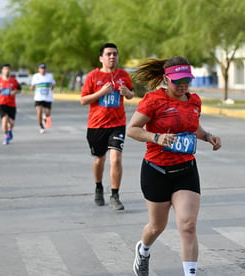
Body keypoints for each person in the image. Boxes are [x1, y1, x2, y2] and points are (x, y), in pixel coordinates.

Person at [127, 56, 221, 276]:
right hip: (156, 171)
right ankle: (144, 249)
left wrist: (207, 136)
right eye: (177, 80)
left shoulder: (194, 101)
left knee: (188, 225)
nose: (182, 85)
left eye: (187, 79)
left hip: (185, 171)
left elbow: (192, 125)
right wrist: (156, 137)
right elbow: (132, 129)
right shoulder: (153, 100)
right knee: (156, 227)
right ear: (165, 79)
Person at [80, 43, 134, 210]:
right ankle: (98, 187)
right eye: (109, 54)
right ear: (101, 58)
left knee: (116, 158)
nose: (112, 57)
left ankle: (115, 195)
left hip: (117, 124)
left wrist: (128, 94)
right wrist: (100, 93)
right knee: (99, 159)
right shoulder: (92, 76)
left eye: (115, 54)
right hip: (96, 126)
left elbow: (131, 94)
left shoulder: (123, 75)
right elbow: (83, 100)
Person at [0, 64, 21, 145]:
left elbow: (19, 90)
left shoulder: (13, 80)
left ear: (10, 70)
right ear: (2, 71)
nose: (7, 71)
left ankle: (9, 131)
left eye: (8, 69)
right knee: (4, 119)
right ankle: (6, 136)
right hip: (1, 103)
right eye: (5, 69)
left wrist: (14, 92)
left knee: (11, 123)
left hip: (11, 104)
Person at [30, 63, 56, 134]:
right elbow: (32, 85)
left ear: (46, 69)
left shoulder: (50, 76)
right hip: (38, 97)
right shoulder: (35, 76)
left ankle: (45, 118)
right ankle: (41, 127)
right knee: (39, 112)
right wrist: (31, 88)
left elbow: (53, 84)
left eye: (44, 69)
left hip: (48, 97)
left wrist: (52, 87)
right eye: (41, 69)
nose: (43, 70)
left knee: (48, 114)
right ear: (39, 69)